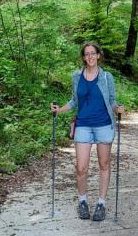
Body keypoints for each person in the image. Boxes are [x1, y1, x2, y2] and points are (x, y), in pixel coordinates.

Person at [50, 42, 125, 222]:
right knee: (81, 167)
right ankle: (82, 201)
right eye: (87, 54)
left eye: (93, 53)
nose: (90, 57)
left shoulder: (107, 77)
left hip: (103, 124)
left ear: (99, 55)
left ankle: (101, 203)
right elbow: (75, 101)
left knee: (104, 164)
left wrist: (118, 110)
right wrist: (59, 110)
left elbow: (112, 101)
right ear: (83, 57)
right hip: (83, 125)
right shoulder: (77, 76)